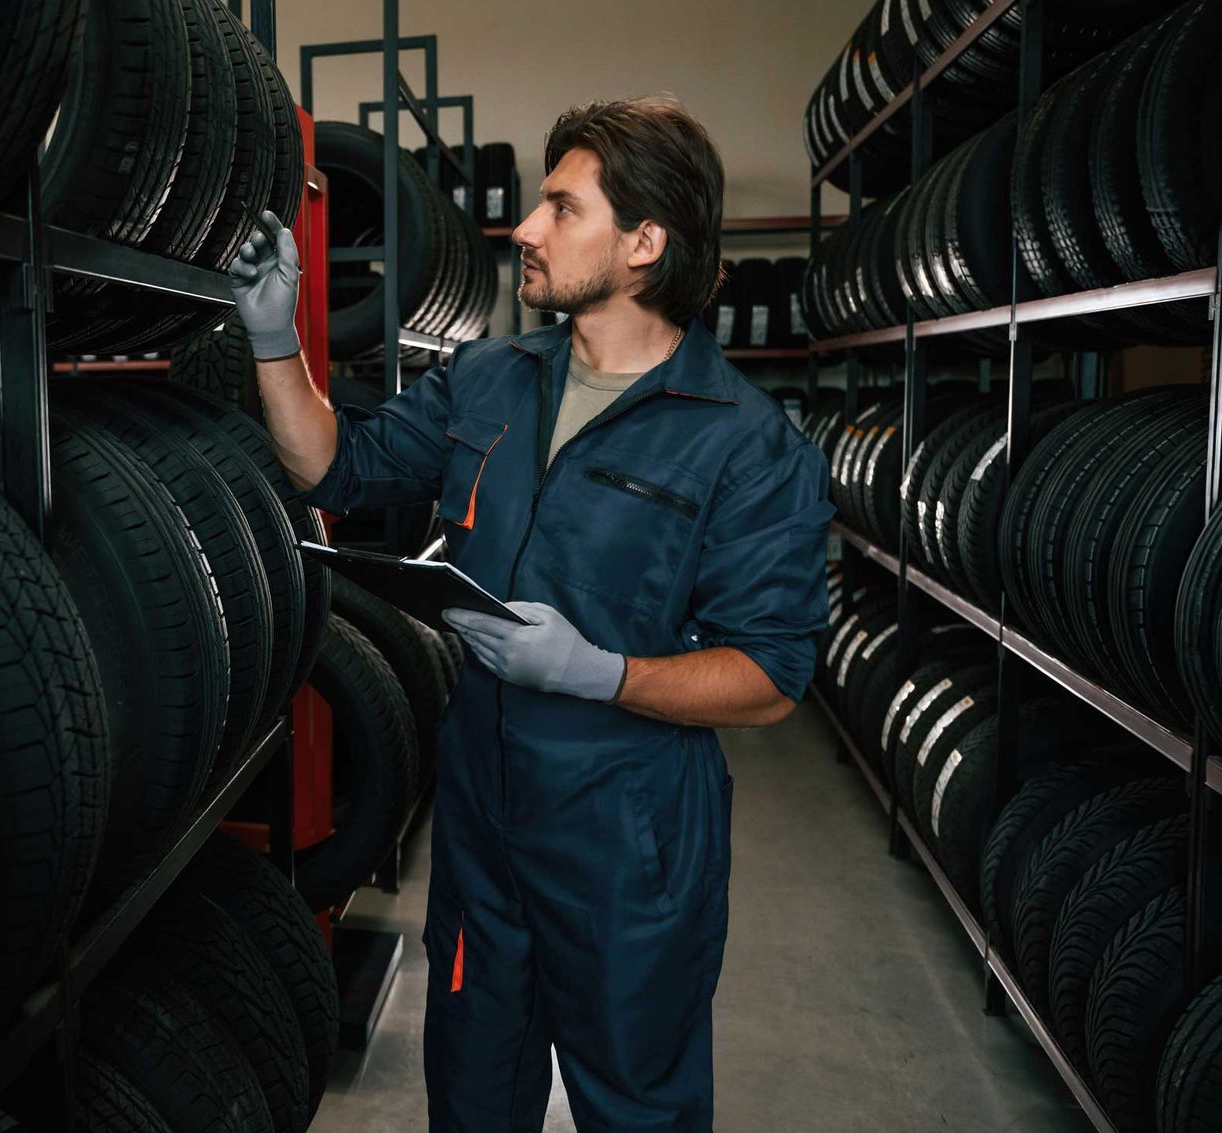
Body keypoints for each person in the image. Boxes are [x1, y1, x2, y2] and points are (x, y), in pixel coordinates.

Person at [231, 96, 833, 1131]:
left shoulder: (746, 443)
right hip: (484, 814)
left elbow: (773, 676)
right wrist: (274, 338)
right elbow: (333, 464)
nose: (524, 230)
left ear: (644, 243)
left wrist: (603, 672)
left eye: (562, 207)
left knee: (634, 1103)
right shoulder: (489, 379)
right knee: (472, 1094)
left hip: (631, 839)